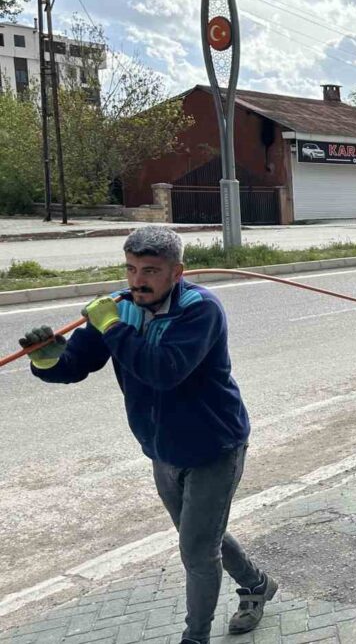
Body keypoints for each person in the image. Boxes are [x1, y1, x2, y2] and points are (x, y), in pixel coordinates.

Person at [18, 227, 276, 644]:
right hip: (161, 448)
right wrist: (48, 361)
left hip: (214, 445)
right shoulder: (125, 307)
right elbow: (77, 365)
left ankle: (196, 636)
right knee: (200, 535)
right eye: (131, 268)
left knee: (196, 550)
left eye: (150, 271)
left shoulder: (200, 309)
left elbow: (163, 371)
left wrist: (113, 327)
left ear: (176, 273)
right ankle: (258, 584)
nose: (137, 280)